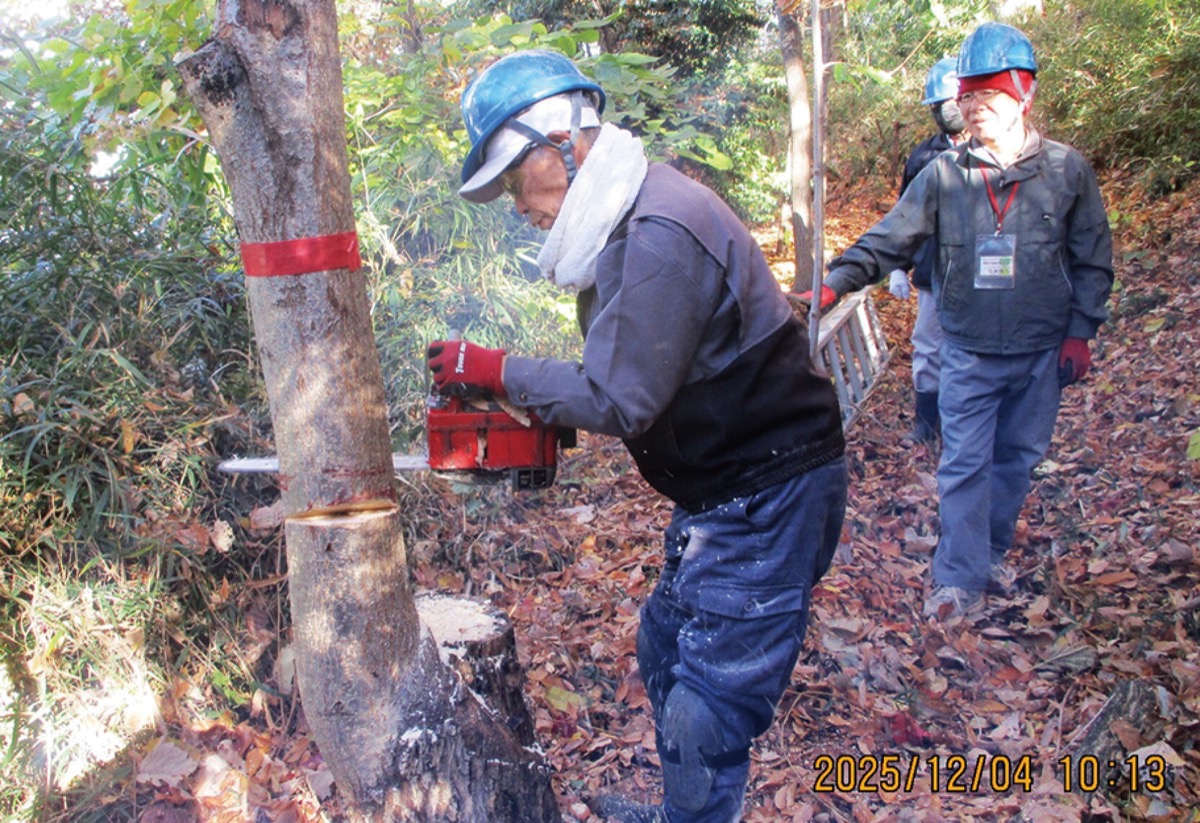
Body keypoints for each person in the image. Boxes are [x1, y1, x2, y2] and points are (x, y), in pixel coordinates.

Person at [426, 49, 847, 823]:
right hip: (724, 485)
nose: (517, 205)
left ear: (563, 144)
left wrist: (499, 369)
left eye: (516, 179)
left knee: (705, 708)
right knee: (663, 649)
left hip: (769, 488)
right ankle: (687, 810)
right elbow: (637, 369)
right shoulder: (625, 221)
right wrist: (523, 404)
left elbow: (622, 395)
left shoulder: (656, 229)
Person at [806, 23, 1113, 619]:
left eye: (989, 94)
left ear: (1023, 94)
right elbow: (890, 237)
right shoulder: (943, 176)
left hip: (1040, 350)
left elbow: (1092, 258)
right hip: (968, 350)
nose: (974, 108)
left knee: (1016, 460)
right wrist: (837, 280)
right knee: (964, 464)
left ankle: (990, 551)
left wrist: (1081, 332)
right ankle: (958, 578)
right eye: (967, 97)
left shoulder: (1066, 172)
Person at [887, 56, 969, 443]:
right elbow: (906, 214)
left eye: (951, 102)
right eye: (938, 106)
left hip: (981, 275)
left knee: (973, 352)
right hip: (934, 271)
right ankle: (926, 423)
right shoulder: (923, 156)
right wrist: (897, 266)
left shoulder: (994, 150)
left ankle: (968, 423)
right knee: (928, 348)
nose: (945, 111)